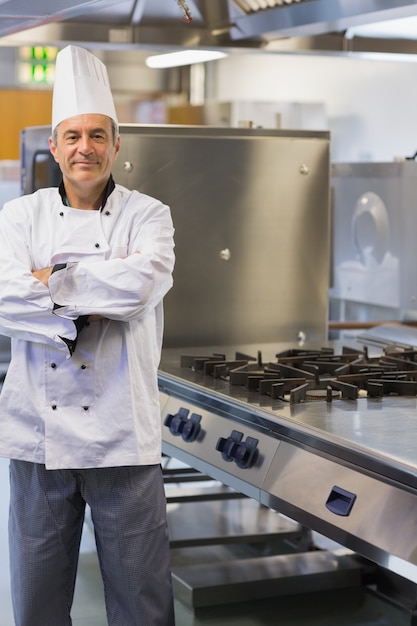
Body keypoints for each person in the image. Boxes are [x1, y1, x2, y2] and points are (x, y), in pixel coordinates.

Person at [0, 45, 176, 626]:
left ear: (117, 144)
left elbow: (140, 286)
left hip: (123, 434)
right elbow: (2, 299)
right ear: (54, 146)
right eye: (72, 136)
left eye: (97, 135)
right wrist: (96, 290)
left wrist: (50, 280)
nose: (85, 148)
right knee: (37, 604)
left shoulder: (149, 215)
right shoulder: (18, 217)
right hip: (36, 437)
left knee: (142, 605)